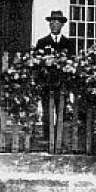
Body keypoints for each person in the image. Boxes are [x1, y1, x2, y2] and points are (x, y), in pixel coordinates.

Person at [35, 10, 73, 142]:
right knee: (47, 110)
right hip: (47, 82)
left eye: (57, 22)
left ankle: (59, 137)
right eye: (51, 22)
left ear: (62, 24)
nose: (54, 24)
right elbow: (36, 62)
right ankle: (47, 136)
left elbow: (72, 62)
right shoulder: (42, 42)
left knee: (61, 110)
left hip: (62, 83)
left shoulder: (68, 43)